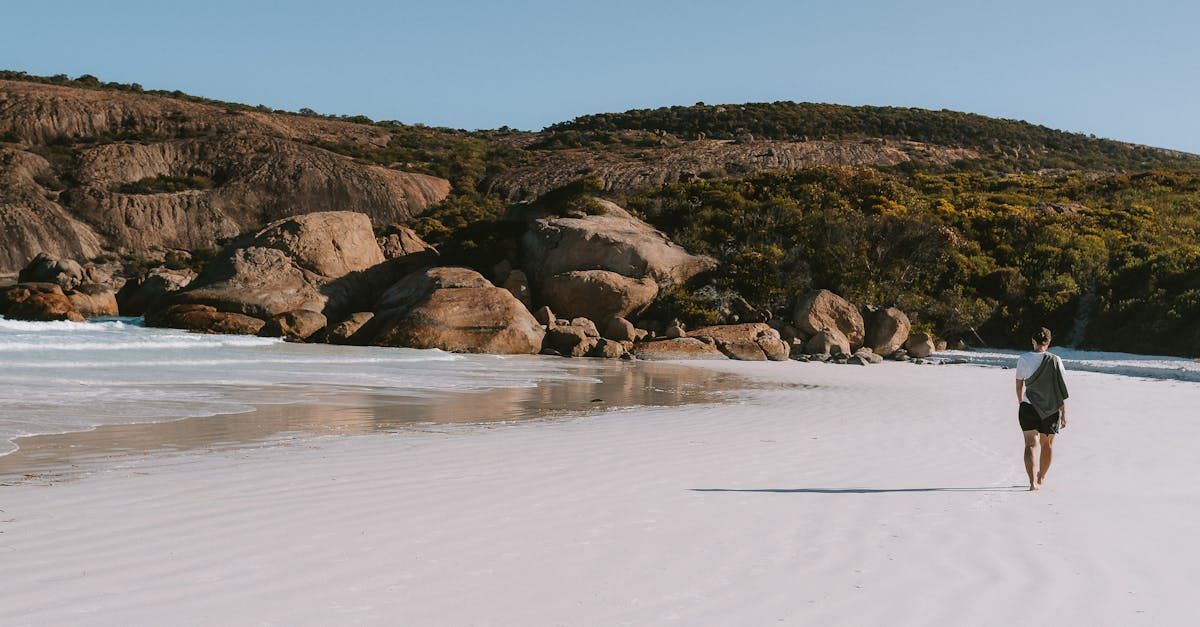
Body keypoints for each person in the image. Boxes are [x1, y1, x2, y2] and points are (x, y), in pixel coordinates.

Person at [1014, 327, 1069, 491]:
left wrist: (1021, 402)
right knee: (1047, 445)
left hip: (1029, 407)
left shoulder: (1023, 359)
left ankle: (1032, 483)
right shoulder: (1055, 360)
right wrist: (1064, 412)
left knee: (1030, 445)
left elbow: (1019, 384)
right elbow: (1060, 388)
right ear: (1049, 342)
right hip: (1051, 409)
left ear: (1033, 340)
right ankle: (1041, 477)